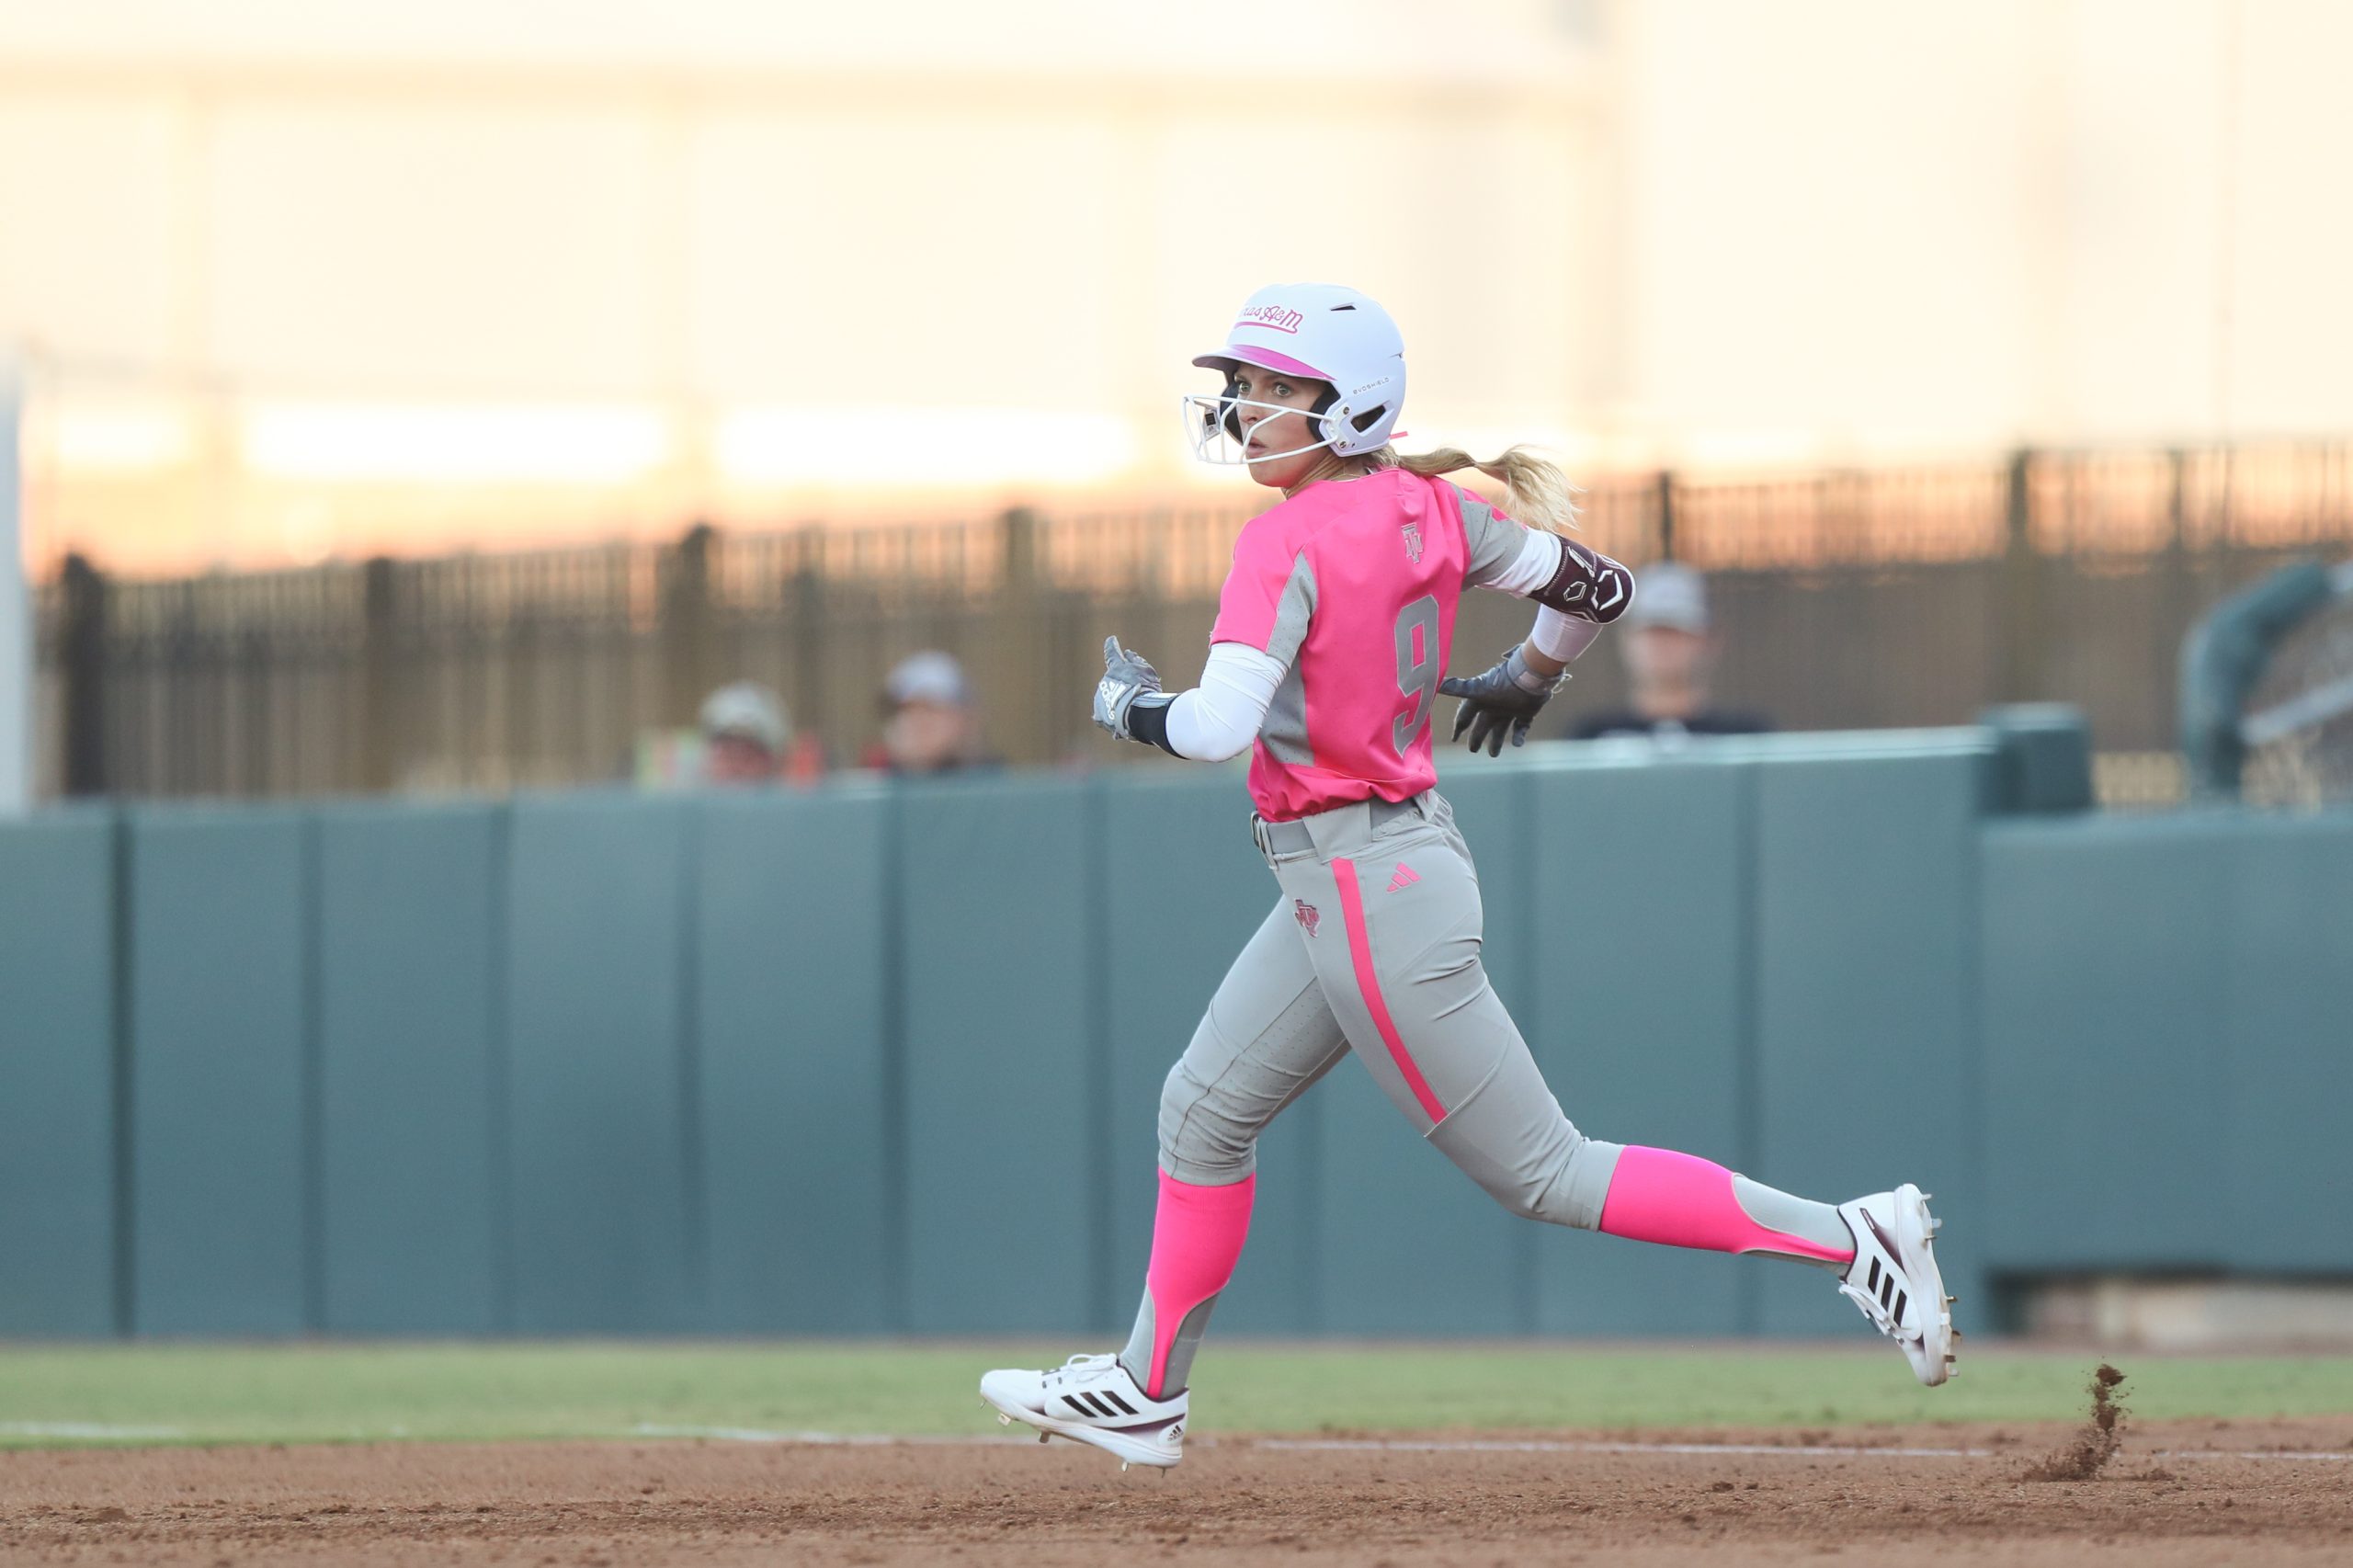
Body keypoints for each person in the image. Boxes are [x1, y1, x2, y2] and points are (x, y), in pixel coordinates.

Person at [979, 284, 1955, 1471]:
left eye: (1276, 389)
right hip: (1367, 871)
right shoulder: (1432, 506)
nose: (1247, 409)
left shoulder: (1284, 535)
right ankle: (1145, 1389)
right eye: (1249, 387)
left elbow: (1213, 727)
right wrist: (1532, 675)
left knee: (1547, 1168)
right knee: (1202, 1108)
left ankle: (1858, 1239)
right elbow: (1600, 589)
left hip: (1364, 883)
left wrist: (1126, 704)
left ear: (1350, 406)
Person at [1566, 562, 1773, 741]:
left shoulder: (1746, 737)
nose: (1663, 644)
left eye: (1677, 631)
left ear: (1710, 640)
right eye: (1652, 631)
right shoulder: (1591, 737)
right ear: (1626, 638)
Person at [863, 651, 994, 775]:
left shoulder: (995, 785)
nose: (918, 721)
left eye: (930, 709)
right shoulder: (871, 781)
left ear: (964, 718)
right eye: (907, 709)